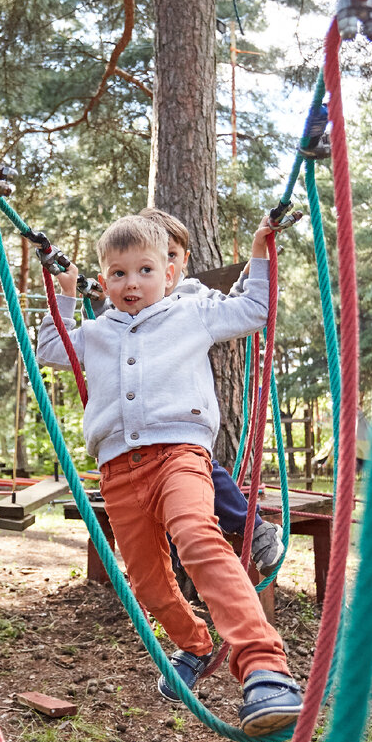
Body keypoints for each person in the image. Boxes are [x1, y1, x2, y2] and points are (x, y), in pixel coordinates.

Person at [37, 214, 303, 736]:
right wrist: (65, 294)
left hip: (180, 454)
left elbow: (254, 308)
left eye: (144, 270)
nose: (131, 283)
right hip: (117, 472)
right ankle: (196, 644)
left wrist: (259, 250)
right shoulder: (96, 332)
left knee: (198, 537)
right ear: (105, 280)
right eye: (117, 274)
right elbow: (50, 349)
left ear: (170, 273)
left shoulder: (191, 313)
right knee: (148, 584)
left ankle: (264, 666)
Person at [138, 207, 285, 578]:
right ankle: (174, 575)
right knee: (165, 503)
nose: (164, 266)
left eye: (171, 255)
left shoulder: (191, 299)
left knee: (204, 473)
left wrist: (257, 253)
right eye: (152, 258)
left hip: (182, 422)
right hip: (141, 433)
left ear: (183, 261)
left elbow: (237, 309)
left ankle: (257, 532)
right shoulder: (131, 304)